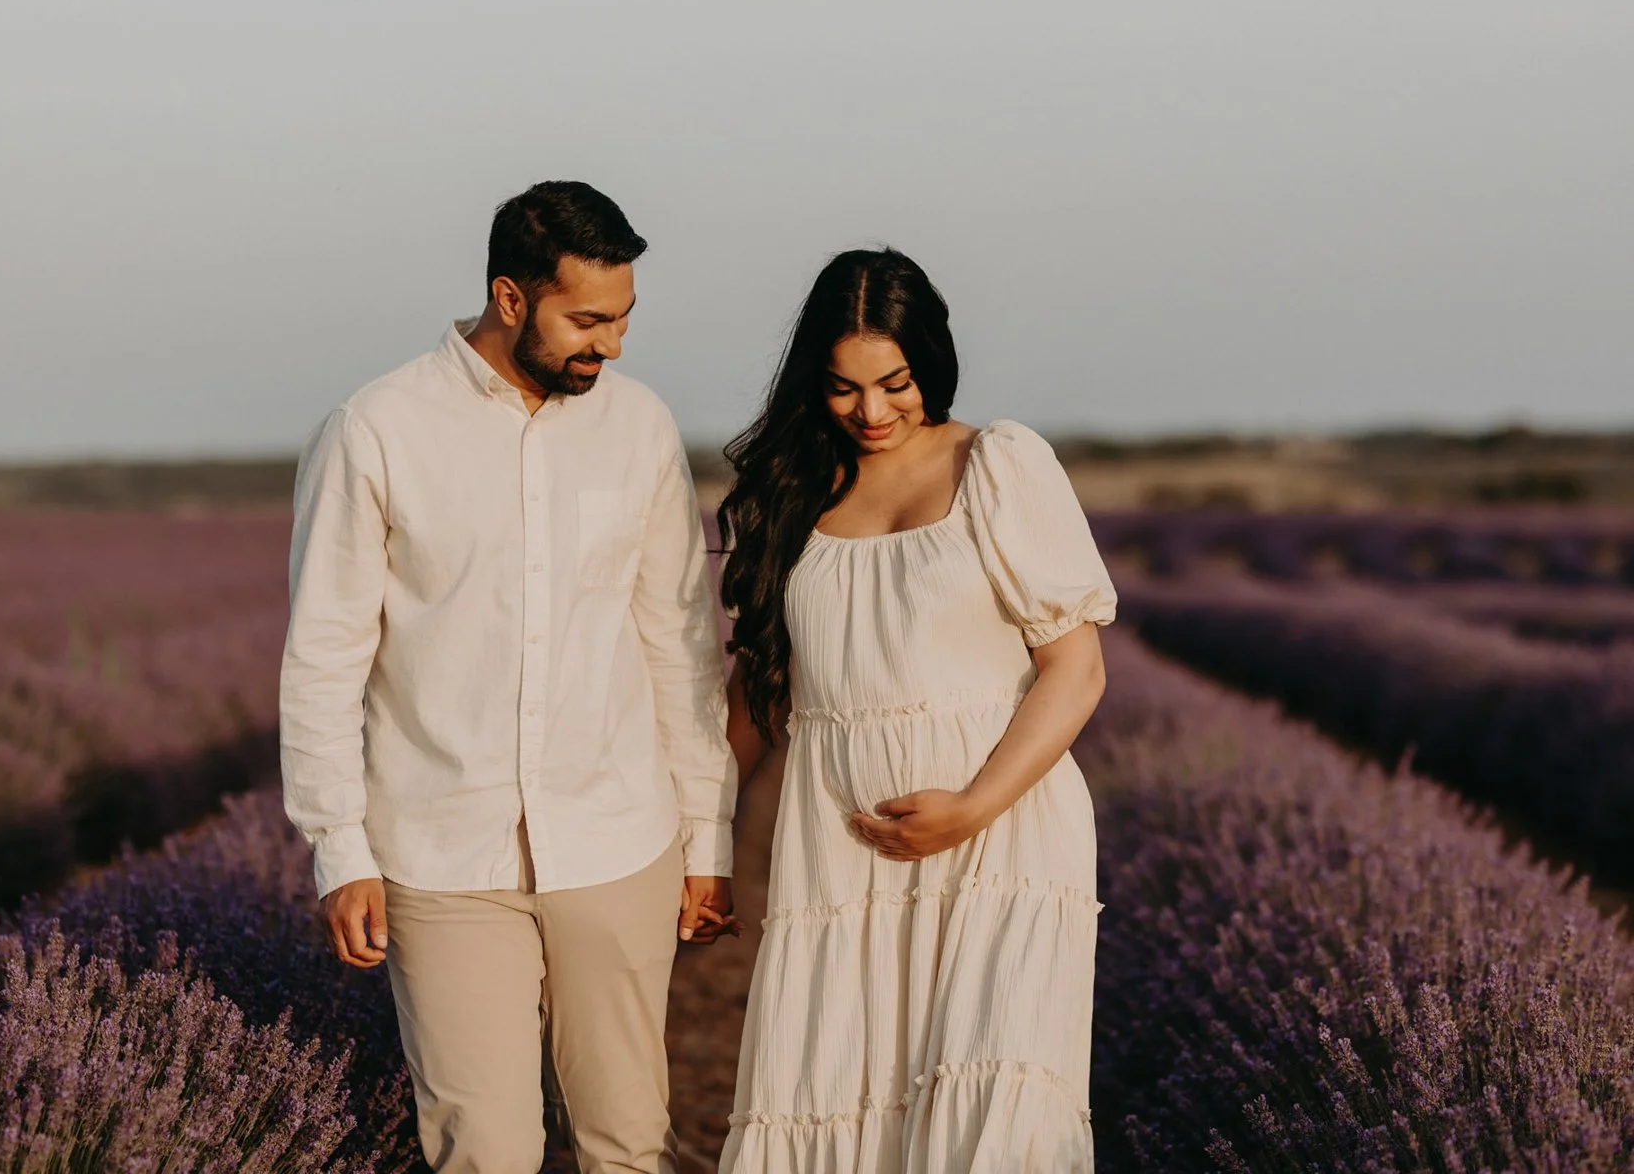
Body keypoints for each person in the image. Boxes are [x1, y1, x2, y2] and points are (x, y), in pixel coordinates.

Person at [278, 180, 740, 1173]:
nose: (610, 345)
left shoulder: (640, 427)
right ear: (512, 298)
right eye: (587, 319)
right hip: (442, 852)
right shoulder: (376, 429)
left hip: (618, 837)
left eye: (623, 320)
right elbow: (323, 655)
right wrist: (339, 848)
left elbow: (679, 641)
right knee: (482, 1151)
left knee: (628, 1140)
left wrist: (708, 832)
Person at [715, 248, 1114, 1171]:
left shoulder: (999, 463)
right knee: (841, 1102)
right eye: (843, 387)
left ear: (929, 360)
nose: (871, 410)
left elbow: (1076, 669)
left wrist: (971, 808)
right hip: (842, 852)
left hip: (1003, 838)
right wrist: (700, 838)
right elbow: (760, 698)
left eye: (893, 382)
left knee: (994, 1099)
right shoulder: (798, 493)